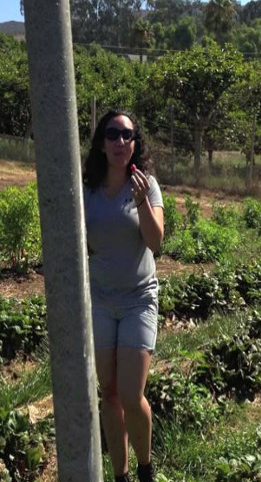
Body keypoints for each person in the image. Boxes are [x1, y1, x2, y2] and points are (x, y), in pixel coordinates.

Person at [83, 109, 164, 482]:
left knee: (132, 395)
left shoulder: (147, 185)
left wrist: (143, 200)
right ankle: (121, 474)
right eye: (112, 135)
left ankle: (145, 467)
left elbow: (156, 243)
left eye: (127, 136)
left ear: (135, 143)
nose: (120, 142)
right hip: (99, 299)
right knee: (109, 394)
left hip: (138, 299)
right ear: (101, 143)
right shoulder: (87, 189)